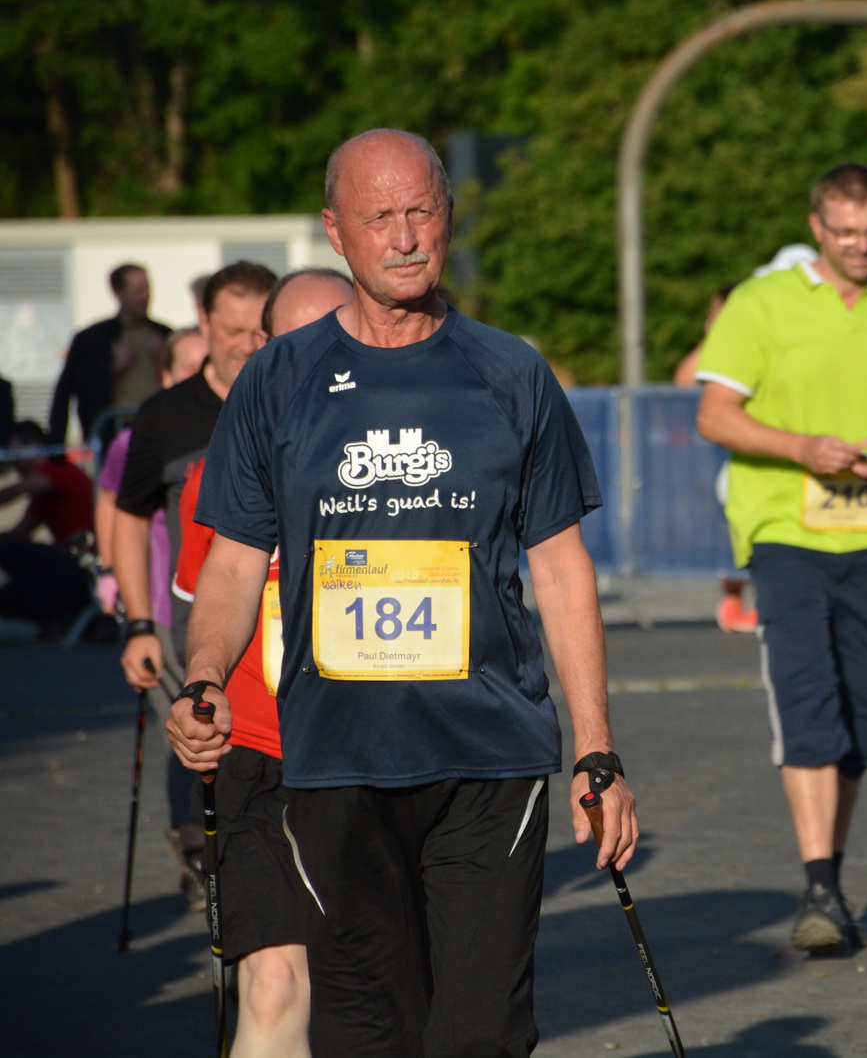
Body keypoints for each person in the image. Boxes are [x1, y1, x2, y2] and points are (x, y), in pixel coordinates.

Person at [165, 128, 635, 1056]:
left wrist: (597, 751)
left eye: (423, 210)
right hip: (335, 759)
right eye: (381, 217)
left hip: (489, 756)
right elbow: (228, 560)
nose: (407, 235)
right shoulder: (280, 379)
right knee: (364, 1031)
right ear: (338, 234)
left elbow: (560, 569)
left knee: (478, 1032)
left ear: (448, 217)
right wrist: (205, 674)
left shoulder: (511, 371)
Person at [694, 162, 867, 954]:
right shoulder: (761, 302)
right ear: (816, 227)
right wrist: (802, 448)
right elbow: (715, 413)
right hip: (784, 532)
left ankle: (830, 875)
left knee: (862, 719)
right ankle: (819, 884)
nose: (860, 244)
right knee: (807, 700)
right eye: (845, 232)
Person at [167, 268, 353, 1058]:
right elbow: (201, 611)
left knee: (366, 990)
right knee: (273, 980)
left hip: (375, 755)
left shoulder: (412, 465)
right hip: (261, 753)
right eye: (298, 343)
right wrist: (197, 689)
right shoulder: (222, 470)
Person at [114, 261, 271, 907]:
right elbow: (127, 515)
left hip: (291, 625)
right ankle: (208, 856)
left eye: (261, 329)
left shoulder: (298, 398)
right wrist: (139, 622)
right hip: (194, 619)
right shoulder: (166, 416)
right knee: (208, 749)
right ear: (205, 324)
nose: (248, 344)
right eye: (233, 329)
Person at [94, 327, 207, 620]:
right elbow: (110, 501)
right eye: (188, 367)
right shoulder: (132, 441)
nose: (199, 376)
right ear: (166, 376)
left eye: (206, 365)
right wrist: (109, 570)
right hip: (166, 604)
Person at [673, 283, 759, 634]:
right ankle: (734, 602)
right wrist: (717, 333)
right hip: (716, 459)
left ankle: (756, 602)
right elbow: (684, 379)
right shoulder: (720, 346)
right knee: (732, 531)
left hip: (752, 458)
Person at [48, 263, 172, 448]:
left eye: (147, 290)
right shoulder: (92, 339)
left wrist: (161, 361)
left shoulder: (164, 335)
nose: (144, 297)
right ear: (118, 292)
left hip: (159, 431)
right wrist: (112, 370)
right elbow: (69, 389)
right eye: (137, 291)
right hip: (113, 436)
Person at [0, 420, 94, 545]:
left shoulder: (55, 469)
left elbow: (17, 490)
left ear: (34, 445)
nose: (12, 460)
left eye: (13, 451)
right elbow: (21, 531)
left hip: (81, 553)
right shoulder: (45, 493)